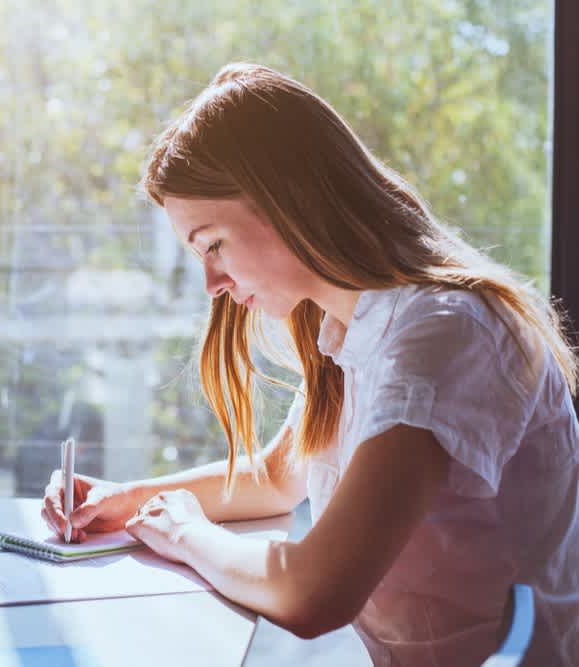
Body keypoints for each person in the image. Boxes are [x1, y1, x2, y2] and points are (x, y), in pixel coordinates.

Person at [42, 63, 579, 666]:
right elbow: (275, 480)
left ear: (289, 200)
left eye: (213, 243)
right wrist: (123, 498)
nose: (211, 284)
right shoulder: (352, 331)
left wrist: (185, 534)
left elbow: (311, 593)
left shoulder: (443, 334)